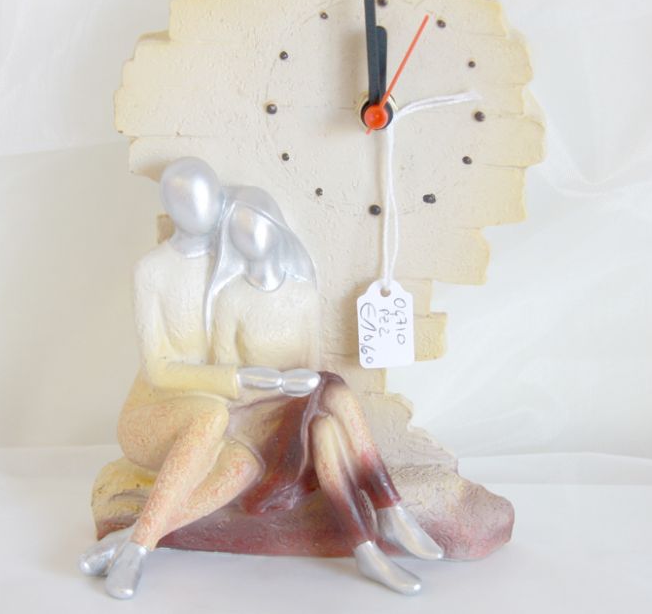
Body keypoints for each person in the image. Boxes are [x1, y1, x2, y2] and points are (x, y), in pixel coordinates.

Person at [79, 157, 441, 598]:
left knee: (253, 461)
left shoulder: (233, 261)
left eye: (216, 204)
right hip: (162, 411)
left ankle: (137, 535)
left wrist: (269, 380)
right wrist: (244, 379)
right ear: (173, 208)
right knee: (215, 415)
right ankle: (137, 548)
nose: (217, 220)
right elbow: (159, 370)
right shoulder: (152, 271)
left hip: (238, 415)